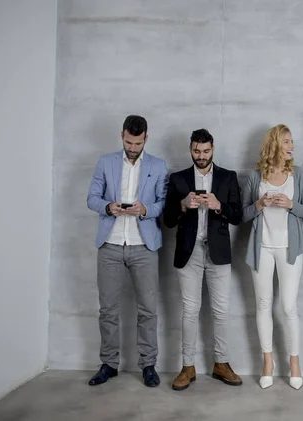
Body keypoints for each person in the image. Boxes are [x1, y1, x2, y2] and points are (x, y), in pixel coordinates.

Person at [86, 115, 168, 387]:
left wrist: (144, 209)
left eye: (138, 143)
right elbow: (92, 198)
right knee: (107, 309)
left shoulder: (158, 166)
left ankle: (148, 365)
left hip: (143, 246)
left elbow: (162, 204)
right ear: (122, 135)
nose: (133, 148)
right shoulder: (106, 162)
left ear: (147, 138)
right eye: (129, 142)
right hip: (110, 244)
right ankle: (109, 363)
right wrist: (109, 207)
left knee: (148, 310)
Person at [163, 128, 243, 391]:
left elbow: (237, 216)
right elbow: (168, 219)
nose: (201, 156)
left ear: (213, 149)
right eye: (197, 151)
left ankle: (221, 363)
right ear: (190, 149)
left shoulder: (228, 177)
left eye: (206, 151)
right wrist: (184, 204)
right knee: (190, 310)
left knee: (221, 311)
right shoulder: (178, 179)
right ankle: (187, 366)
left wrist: (218, 205)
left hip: (218, 251)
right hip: (189, 251)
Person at [242, 124, 303, 390]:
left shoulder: (299, 174)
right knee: (262, 304)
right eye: (286, 141)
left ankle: (294, 363)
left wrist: (290, 204)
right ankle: (267, 363)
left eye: (291, 141)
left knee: (288, 307)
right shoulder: (255, 175)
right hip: (262, 249)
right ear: (274, 144)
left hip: (289, 249)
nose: (291, 146)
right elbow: (243, 214)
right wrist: (261, 204)